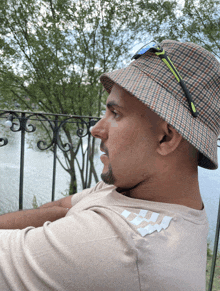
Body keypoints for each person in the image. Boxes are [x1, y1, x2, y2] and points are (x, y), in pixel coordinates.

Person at [0, 40, 219, 291]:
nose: (96, 129)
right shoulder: (137, 191)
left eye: (116, 114)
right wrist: (68, 218)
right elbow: (61, 208)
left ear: (166, 137)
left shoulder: (122, 246)